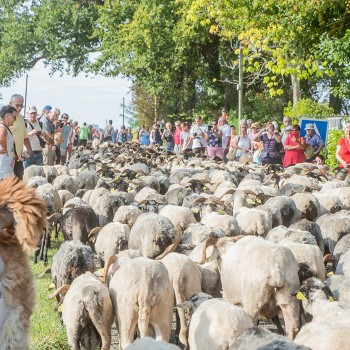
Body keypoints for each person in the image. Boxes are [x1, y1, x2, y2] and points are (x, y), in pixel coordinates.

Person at [9, 94, 33, 179]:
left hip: (19, 159)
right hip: (7, 159)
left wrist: (30, 150)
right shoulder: (4, 118)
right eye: (17, 105)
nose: (19, 108)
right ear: (10, 104)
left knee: (19, 185)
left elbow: (24, 136)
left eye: (21, 106)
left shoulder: (21, 118)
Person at [0, 105, 17, 179]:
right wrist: (4, 149)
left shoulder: (4, 128)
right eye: (14, 117)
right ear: (7, 116)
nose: (15, 120)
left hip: (5, 168)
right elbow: (1, 139)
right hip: (3, 170)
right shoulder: (3, 128)